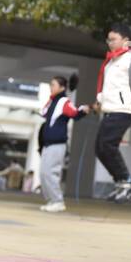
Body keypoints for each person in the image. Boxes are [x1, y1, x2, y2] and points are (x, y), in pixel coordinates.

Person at [93, 24, 131, 202]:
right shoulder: (111, 60)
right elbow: (108, 85)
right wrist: (99, 100)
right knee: (100, 148)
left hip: (123, 108)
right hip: (109, 108)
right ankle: (120, 181)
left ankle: (127, 180)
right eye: (108, 39)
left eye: (113, 39)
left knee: (108, 145)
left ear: (125, 40)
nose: (110, 43)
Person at [39, 75, 88, 213]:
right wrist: (51, 98)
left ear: (61, 87)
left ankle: (58, 201)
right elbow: (42, 112)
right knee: (43, 174)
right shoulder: (53, 102)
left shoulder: (64, 101)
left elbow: (75, 113)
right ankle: (51, 200)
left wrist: (84, 109)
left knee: (50, 173)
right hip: (47, 145)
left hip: (57, 144)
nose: (51, 87)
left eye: (53, 85)